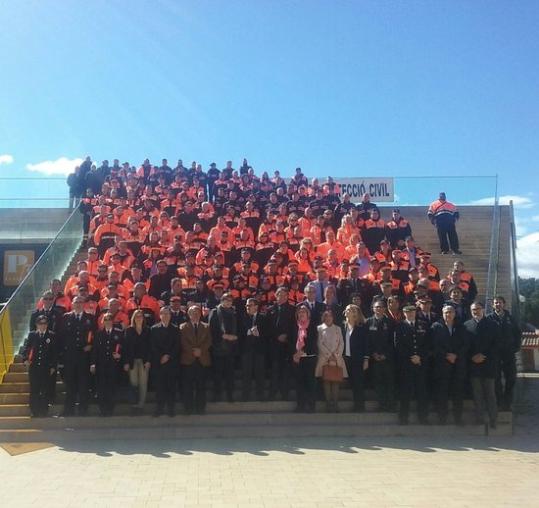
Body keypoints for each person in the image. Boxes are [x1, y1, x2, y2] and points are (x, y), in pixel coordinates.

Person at [464, 301, 500, 428]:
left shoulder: (493, 324)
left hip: (489, 365)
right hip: (474, 365)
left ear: (483, 309)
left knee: (490, 394)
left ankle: (493, 419)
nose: (475, 311)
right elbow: (464, 346)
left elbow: (496, 345)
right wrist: (472, 357)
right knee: (477, 394)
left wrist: (483, 356)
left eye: (478, 309)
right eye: (473, 309)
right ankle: (480, 418)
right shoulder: (466, 325)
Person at [430, 305, 468, 425]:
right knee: (442, 392)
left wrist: (455, 355)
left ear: (454, 313)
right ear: (442, 313)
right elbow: (433, 345)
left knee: (458, 392)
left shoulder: (461, 327)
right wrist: (447, 355)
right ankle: (442, 418)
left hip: (457, 365)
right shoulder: (436, 327)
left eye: (451, 312)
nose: (448, 314)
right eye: (446, 312)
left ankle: (458, 418)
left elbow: (465, 345)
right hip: (442, 364)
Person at [394, 305, 430, 425]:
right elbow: (398, 345)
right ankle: (403, 417)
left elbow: (427, 344)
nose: (410, 314)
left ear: (416, 312)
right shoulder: (400, 326)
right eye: (407, 312)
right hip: (406, 363)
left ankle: (423, 417)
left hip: (421, 363)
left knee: (422, 391)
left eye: (412, 311)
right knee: (405, 392)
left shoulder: (423, 325)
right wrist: (411, 357)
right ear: (404, 313)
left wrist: (420, 357)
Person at [60, 296, 95, 417]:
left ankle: (83, 409)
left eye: (81, 302)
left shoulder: (90, 318)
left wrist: (90, 345)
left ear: (84, 304)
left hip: (84, 356)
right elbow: (62, 337)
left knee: (83, 384)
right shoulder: (66, 317)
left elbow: (93, 335)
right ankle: (68, 410)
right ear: (72, 304)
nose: (79, 304)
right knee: (70, 384)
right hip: (70, 356)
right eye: (76, 302)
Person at [487, 296, 522, 410]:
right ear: (493, 305)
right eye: (496, 303)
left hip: (509, 354)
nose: (498, 304)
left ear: (504, 304)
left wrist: (516, 347)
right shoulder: (488, 319)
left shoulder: (511, 318)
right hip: (495, 354)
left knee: (511, 378)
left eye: (500, 302)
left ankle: (508, 402)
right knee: (496, 379)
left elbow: (518, 334)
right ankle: (499, 402)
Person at [23, 315, 58, 417]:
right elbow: (27, 348)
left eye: (44, 323)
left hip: (46, 367)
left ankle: (43, 411)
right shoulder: (32, 335)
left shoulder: (51, 335)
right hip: (34, 367)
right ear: (37, 324)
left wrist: (53, 366)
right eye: (40, 323)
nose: (42, 326)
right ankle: (34, 411)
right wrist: (25, 359)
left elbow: (54, 353)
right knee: (34, 390)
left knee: (45, 390)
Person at [180, 305, 212, 415]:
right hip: (188, 360)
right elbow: (182, 342)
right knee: (188, 386)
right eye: (193, 312)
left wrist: (200, 351)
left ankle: (200, 408)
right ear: (189, 315)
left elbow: (209, 341)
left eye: (198, 312)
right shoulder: (182, 327)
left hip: (202, 360)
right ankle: (188, 409)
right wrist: (193, 351)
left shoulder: (207, 327)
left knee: (201, 386)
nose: (195, 314)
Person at [90, 313, 124, 416]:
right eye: (106, 319)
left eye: (110, 319)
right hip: (101, 365)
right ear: (103, 322)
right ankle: (103, 409)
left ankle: (110, 409)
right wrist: (93, 364)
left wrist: (120, 355)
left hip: (113, 365)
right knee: (102, 388)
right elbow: (95, 350)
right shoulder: (99, 334)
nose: (108, 321)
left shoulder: (119, 333)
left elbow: (123, 347)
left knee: (111, 387)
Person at [366, 299, 396, 412]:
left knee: (389, 382)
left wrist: (386, 354)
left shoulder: (390, 322)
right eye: (376, 307)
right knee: (378, 382)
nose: (378, 309)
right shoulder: (368, 322)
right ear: (373, 309)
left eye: (381, 307)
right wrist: (373, 353)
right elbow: (367, 341)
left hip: (387, 358)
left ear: (384, 309)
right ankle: (382, 404)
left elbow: (393, 341)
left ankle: (391, 405)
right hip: (374, 359)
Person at [267, 287, 296, 401]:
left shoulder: (293, 309)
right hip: (274, 344)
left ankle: (285, 393)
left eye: (285, 295)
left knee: (285, 370)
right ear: (276, 295)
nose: (282, 297)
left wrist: (286, 336)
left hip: (287, 344)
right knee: (274, 369)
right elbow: (267, 327)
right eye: (280, 295)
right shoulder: (270, 309)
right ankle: (273, 392)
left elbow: (294, 326)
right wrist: (276, 336)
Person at [209, 293, 239, 402]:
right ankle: (217, 395)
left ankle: (230, 395)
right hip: (219, 348)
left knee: (230, 374)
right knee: (218, 374)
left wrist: (234, 337)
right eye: (226, 300)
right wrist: (224, 336)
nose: (228, 302)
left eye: (230, 300)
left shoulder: (234, 313)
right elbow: (211, 330)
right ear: (221, 300)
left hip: (231, 349)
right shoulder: (215, 312)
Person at [316, 310, 347, 413]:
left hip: (336, 358)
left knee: (335, 381)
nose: (328, 318)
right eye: (326, 316)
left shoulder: (338, 328)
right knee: (326, 380)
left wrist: (336, 355)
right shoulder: (319, 328)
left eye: (330, 316)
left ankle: (335, 403)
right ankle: (328, 403)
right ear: (323, 318)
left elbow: (342, 343)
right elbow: (319, 343)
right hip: (325, 358)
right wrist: (329, 355)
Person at [150, 306, 179, 417]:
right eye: (163, 314)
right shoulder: (154, 329)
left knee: (171, 387)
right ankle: (159, 408)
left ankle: (171, 409)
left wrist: (168, 356)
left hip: (172, 362)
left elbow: (177, 346)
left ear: (170, 316)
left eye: (167, 314)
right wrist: (160, 357)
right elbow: (153, 346)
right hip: (159, 363)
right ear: (160, 315)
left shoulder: (176, 329)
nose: (165, 316)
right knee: (160, 387)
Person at [342, 304, 369, 412]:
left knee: (358, 383)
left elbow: (366, 344)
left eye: (350, 310)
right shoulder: (342, 327)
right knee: (352, 382)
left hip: (358, 359)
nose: (347, 312)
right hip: (346, 359)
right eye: (347, 310)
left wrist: (366, 359)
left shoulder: (362, 328)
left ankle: (359, 406)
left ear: (355, 313)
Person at [291, 304, 318, 413]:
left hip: (309, 357)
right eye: (300, 312)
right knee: (299, 382)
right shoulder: (294, 326)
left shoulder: (312, 326)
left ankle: (311, 405)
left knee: (310, 382)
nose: (302, 314)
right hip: (297, 359)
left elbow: (313, 340)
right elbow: (290, 340)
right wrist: (295, 353)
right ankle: (300, 405)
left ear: (308, 314)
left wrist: (302, 351)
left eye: (304, 312)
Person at [124, 309, 151, 413]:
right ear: (133, 318)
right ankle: (134, 404)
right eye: (137, 316)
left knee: (143, 383)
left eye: (141, 316)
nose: (139, 318)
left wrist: (148, 360)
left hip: (144, 360)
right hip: (132, 360)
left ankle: (141, 405)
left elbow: (150, 346)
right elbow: (125, 347)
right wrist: (126, 362)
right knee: (134, 382)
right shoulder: (129, 330)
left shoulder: (148, 330)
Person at [240, 298, 268, 401]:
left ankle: (260, 395)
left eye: (250, 305)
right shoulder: (242, 317)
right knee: (246, 374)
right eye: (247, 305)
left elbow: (268, 334)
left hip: (259, 350)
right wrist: (248, 332)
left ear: (256, 306)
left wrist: (259, 334)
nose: (247, 307)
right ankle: (245, 395)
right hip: (246, 350)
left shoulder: (263, 318)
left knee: (259, 374)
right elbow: (239, 332)